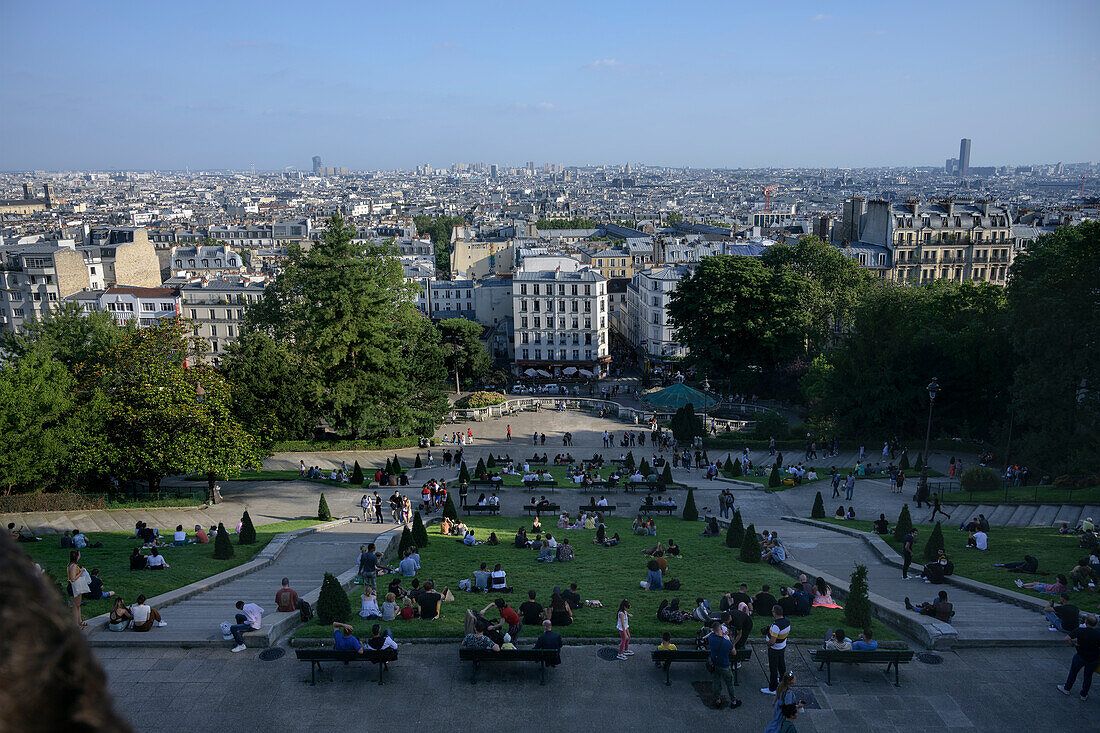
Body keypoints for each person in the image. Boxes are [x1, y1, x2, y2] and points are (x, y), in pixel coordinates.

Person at [1056, 614, 1100, 701]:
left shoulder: (1080, 631)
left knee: (1073, 672)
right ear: (1095, 624)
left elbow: (1067, 638)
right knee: (1088, 676)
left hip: (1080, 656)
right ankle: (1084, 695)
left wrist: (1073, 645)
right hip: (1093, 658)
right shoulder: (1098, 633)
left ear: (1086, 622)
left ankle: (1067, 688)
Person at [707, 621, 742, 709]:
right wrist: (728, 638)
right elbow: (734, 652)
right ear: (721, 629)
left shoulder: (711, 638)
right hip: (724, 666)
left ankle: (717, 700)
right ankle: (733, 701)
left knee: (716, 682)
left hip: (715, 664)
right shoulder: (726, 642)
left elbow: (716, 637)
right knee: (729, 683)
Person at [762, 605, 790, 694]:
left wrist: (768, 644)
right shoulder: (787, 621)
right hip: (782, 646)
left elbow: (773, 641)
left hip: (775, 649)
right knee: (781, 665)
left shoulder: (776, 626)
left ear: (774, 613)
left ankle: (772, 688)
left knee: (773, 668)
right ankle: (783, 681)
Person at [67, 550, 91, 629]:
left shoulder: (70, 564)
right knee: (75, 606)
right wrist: (81, 572)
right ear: (77, 556)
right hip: (74, 587)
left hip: (72, 587)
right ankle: (76, 625)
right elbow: (73, 579)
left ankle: (79, 622)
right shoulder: (74, 566)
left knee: (77, 606)